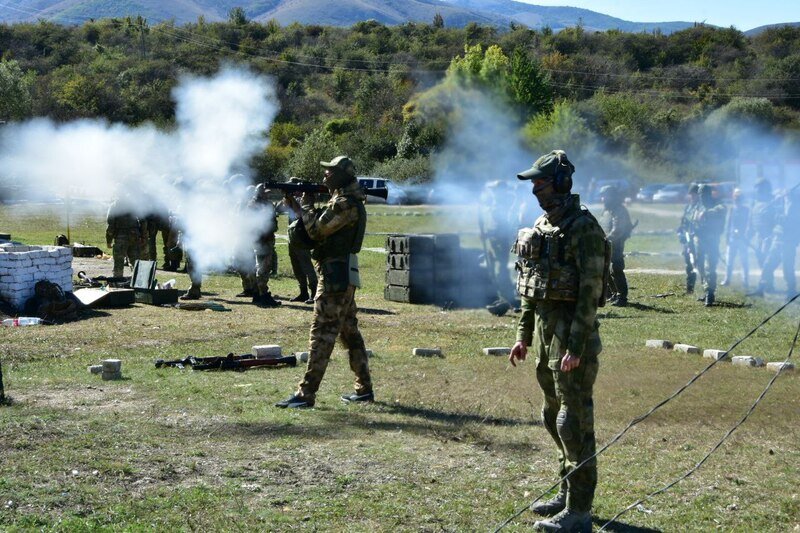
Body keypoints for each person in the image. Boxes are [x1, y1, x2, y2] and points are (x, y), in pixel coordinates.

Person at [509, 150, 607, 532]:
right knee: (552, 415)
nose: (535, 189)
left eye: (542, 182)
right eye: (534, 183)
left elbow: (590, 293)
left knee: (573, 421)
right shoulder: (543, 225)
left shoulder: (584, 229)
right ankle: (566, 493)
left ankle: (579, 511)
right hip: (547, 337)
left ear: (562, 183)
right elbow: (530, 286)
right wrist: (523, 335)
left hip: (571, 341)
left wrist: (576, 348)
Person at [276, 156, 373, 409]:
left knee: (321, 334)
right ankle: (364, 388)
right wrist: (299, 207)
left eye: (330, 172)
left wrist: (305, 206)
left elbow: (317, 231)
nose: (325, 175)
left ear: (342, 176)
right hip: (341, 274)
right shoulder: (343, 200)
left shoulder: (344, 204)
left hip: (334, 277)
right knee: (349, 332)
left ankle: (305, 393)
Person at [753, 185, 800, 298]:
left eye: (786, 193)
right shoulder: (781, 204)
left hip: (788, 242)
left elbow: (786, 222)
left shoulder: (795, 207)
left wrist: (777, 211)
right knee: (767, 265)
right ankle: (761, 288)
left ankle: (791, 291)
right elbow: (771, 218)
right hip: (777, 240)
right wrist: (774, 206)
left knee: (787, 268)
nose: (784, 194)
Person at [479, 180, 518, 316]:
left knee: (501, 271)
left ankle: (506, 297)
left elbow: (501, 228)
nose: (493, 192)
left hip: (500, 242)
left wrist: (488, 233)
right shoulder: (495, 203)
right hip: (494, 242)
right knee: (496, 269)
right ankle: (500, 295)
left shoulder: (502, 205)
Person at [282, 177, 318, 304]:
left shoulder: (304, 199)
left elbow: (299, 213)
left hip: (302, 237)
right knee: (296, 266)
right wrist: (287, 197)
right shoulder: (291, 199)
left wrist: (292, 198)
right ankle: (303, 292)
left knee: (306, 265)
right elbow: (283, 208)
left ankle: (314, 292)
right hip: (293, 236)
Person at [598, 185, 633, 307]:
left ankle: (622, 297)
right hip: (606, 243)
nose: (603, 199)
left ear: (612, 196)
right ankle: (612, 294)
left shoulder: (619, 210)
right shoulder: (607, 210)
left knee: (616, 269)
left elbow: (618, 230)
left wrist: (606, 239)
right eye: (602, 196)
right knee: (605, 270)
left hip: (615, 244)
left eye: (605, 196)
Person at [692, 184, 726, 306]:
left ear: (709, 194)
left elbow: (722, 209)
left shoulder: (717, 204)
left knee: (709, 267)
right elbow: (693, 219)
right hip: (699, 239)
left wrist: (706, 213)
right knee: (700, 265)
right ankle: (706, 289)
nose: (702, 197)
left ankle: (710, 293)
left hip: (711, 240)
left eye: (704, 194)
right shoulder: (698, 205)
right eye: (700, 195)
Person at [250, 184, 281, 308]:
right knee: (263, 268)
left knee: (260, 267)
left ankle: (257, 293)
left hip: (263, 239)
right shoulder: (256, 206)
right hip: (262, 240)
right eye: (265, 192)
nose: (267, 194)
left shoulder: (258, 204)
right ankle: (263, 295)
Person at [106, 196, 145, 278]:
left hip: (121, 236)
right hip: (135, 236)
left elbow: (111, 225)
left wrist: (109, 240)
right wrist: (143, 236)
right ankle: (138, 280)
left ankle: (118, 280)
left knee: (119, 261)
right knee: (135, 261)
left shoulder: (115, 206)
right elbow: (143, 221)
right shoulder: (134, 204)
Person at [721, 188, 750, 289]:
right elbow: (729, 224)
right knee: (729, 261)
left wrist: (745, 235)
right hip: (732, 239)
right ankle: (727, 279)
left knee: (744, 261)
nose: (737, 200)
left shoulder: (746, 210)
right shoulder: (732, 209)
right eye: (736, 197)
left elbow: (748, 224)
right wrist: (727, 237)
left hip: (742, 239)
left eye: (739, 198)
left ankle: (745, 281)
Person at [677, 183, 700, 294]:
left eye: (694, 194)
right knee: (689, 264)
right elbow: (683, 223)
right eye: (691, 194)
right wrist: (680, 233)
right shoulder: (688, 207)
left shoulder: (700, 208)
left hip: (696, 240)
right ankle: (690, 288)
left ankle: (706, 290)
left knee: (699, 265)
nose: (692, 196)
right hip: (687, 240)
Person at [750, 178, 775, 271]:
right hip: (758, 235)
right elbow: (752, 219)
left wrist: (771, 236)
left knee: (766, 260)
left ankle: (766, 277)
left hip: (768, 236)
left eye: (759, 188)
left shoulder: (773, 202)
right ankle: (765, 276)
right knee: (759, 257)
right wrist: (748, 233)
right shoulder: (755, 203)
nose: (757, 191)